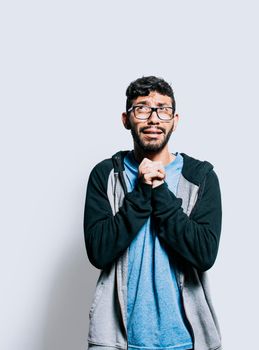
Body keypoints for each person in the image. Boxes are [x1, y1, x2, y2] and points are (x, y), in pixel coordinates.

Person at [83, 76, 223, 350]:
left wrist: (159, 190)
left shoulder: (201, 177)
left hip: (186, 341)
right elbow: (99, 251)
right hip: (116, 341)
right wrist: (141, 192)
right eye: (142, 108)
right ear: (126, 119)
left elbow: (204, 254)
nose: (154, 119)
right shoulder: (106, 175)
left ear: (175, 119)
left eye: (163, 109)